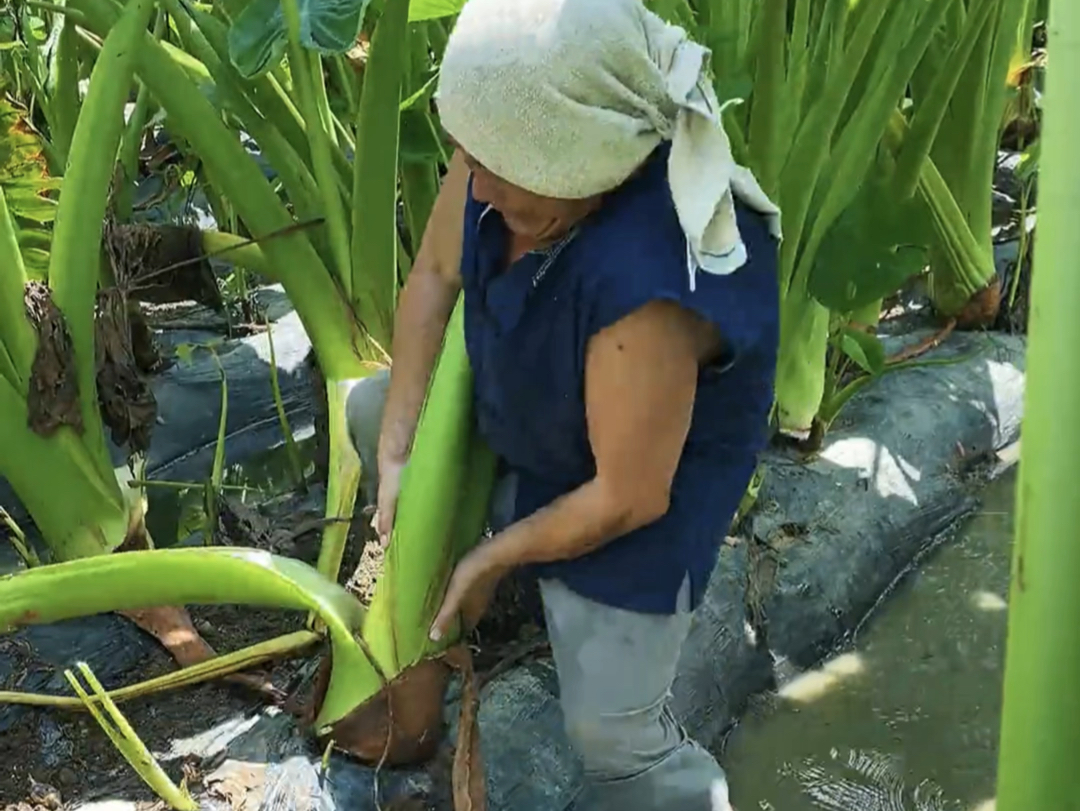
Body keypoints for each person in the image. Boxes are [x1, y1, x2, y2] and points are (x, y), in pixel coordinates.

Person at [346, 0, 781, 808]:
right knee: (373, 411)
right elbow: (435, 278)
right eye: (469, 160)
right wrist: (399, 447)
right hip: (536, 416)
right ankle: (455, 632)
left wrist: (491, 555)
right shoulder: (504, 148)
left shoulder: (650, 274)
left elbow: (630, 491)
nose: (476, 187)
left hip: (637, 502)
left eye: (503, 183)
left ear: (584, 163)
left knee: (614, 738)